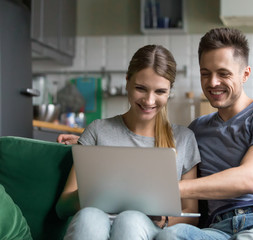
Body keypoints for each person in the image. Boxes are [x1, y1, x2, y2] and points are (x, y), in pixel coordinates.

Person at [155, 28, 253, 240]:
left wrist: (172, 188)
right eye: (205, 73)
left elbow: (248, 179)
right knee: (170, 236)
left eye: (223, 73)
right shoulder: (196, 130)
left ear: (245, 74)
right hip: (219, 229)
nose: (212, 82)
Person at [56, 44, 201, 240]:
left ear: (169, 92)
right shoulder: (98, 131)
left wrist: (164, 220)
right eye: (141, 88)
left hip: (145, 230)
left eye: (160, 91)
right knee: (89, 217)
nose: (149, 100)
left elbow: (191, 213)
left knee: (130, 220)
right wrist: (95, 192)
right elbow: (63, 206)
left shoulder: (184, 139)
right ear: (127, 82)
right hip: (94, 224)